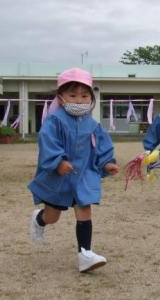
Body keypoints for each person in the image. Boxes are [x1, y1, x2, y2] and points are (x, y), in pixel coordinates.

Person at [28, 68, 119, 272]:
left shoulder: (93, 125)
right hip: (58, 176)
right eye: (73, 95)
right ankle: (39, 219)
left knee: (84, 209)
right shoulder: (55, 120)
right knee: (53, 216)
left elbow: (101, 146)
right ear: (61, 97)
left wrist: (106, 163)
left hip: (83, 174)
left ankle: (85, 254)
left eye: (85, 96)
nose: (79, 100)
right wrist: (58, 161)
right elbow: (47, 141)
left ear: (91, 98)